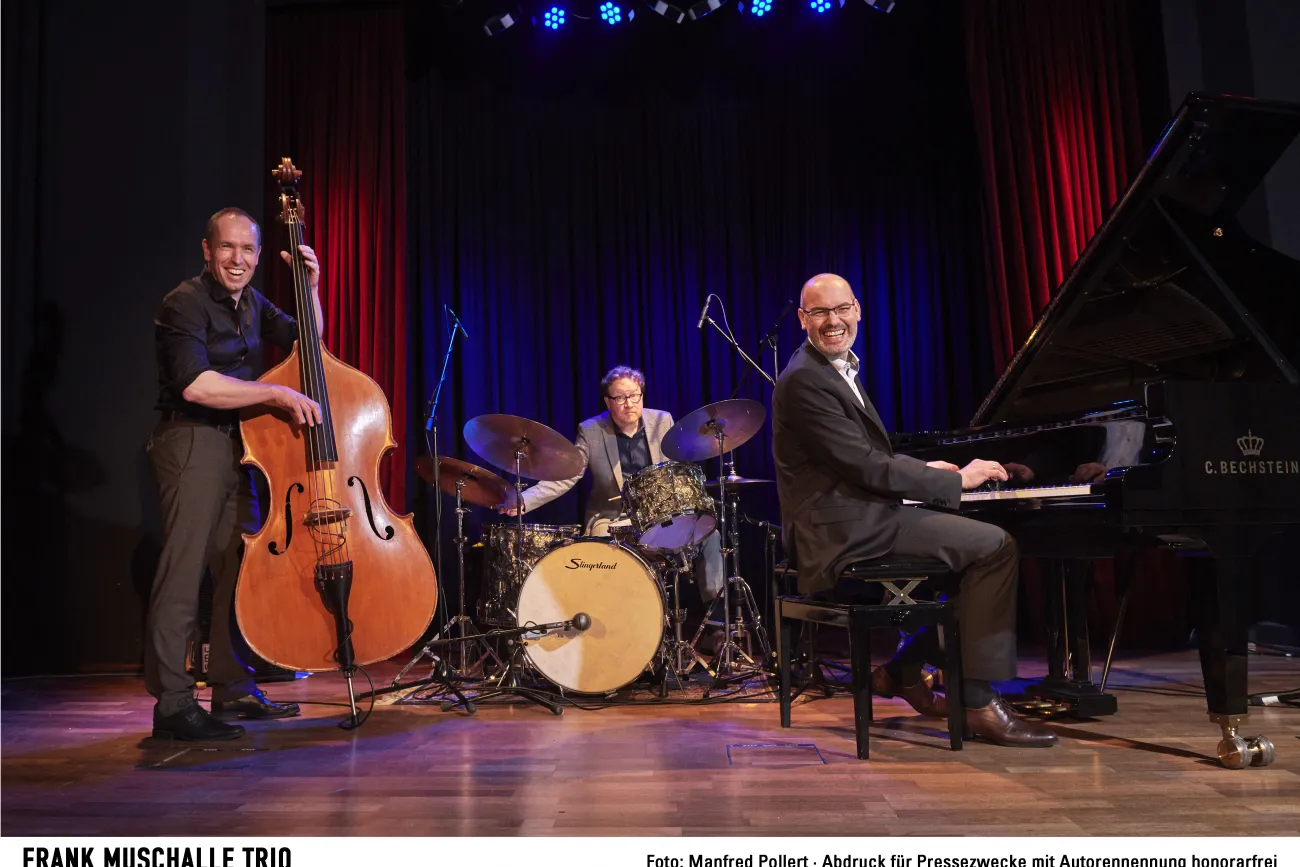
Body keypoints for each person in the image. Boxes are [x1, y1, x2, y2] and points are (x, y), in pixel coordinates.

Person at [771, 273, 1057, 747]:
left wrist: (926, 470)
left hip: (859, 514)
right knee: (994, 547)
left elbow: (863, 457)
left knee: (972, 556)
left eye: (841, 309)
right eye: (819, 312)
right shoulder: (805, 379)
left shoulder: (833, 370)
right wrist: (955, 480)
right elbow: (862, 464)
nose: (832, 320)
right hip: (840, 529)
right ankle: (975, 702)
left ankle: (905, 670)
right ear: (803, 319)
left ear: (858, 310)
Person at [147, 207, 325, 740]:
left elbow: (308, 343)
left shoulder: (251, 302)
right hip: (191, 439)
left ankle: (231, 685)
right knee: (184, 572)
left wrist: (311, 289)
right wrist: (275, 393)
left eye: (247, 249)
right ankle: (173, 704)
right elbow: (196, 384)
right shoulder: (184, 302)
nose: (237, 259)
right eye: (227, 247)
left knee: (237, 566)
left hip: (236, 446)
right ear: (207, 250)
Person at [500, 366, 725, 604]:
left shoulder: (662, 420)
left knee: (710, 534)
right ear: (608, 401)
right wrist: (525, 499)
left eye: (634, 396)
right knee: (601, 546)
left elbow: (679, 467)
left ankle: (716, 615)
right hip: (611, 519)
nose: (629, 404)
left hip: (659, 516)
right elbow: (568, 475)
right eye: (620, 398)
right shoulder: (591, 430)